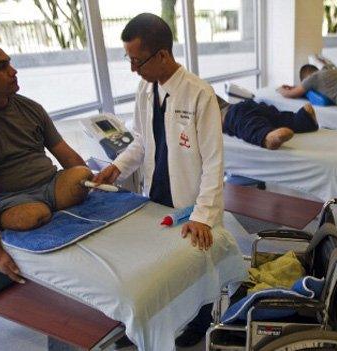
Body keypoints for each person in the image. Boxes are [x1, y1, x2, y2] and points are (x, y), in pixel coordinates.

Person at [91, 13, 225, 347]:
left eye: (137, 59)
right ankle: (153, 320)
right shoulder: (145, 89)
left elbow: (213, 163)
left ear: (162, 55)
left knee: (199, 265)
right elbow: (141, 141)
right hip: (156, 195)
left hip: (192, 201)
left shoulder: (199, 94)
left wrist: (202, 216)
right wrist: (117, 168)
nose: (133, 68)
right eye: (129, 59)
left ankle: (201, 319)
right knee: (159, 266)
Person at [0, 38, 92, 284]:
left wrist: (94, 180)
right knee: (31, 216)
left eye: (10, 64)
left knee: (81, 176)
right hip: (11, 199)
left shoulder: (31, 108)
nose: (13, 72)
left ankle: (52, 208)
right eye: (1, 67)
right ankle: (43, 211)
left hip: (50, 183)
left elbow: (65, 153)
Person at [217, 96, 319, 149]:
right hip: (245, 105)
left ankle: (267, 136)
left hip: (231, 113)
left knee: (249, 126)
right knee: (277, 117)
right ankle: (303, 118)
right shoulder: (205, 92)